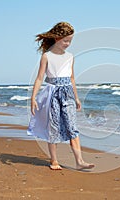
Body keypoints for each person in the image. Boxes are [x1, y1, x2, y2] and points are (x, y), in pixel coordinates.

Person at [27, 22, 95, 170]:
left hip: (67, 93)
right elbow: (39, 78)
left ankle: (79, 161)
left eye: (70, 41)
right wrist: (33, 98)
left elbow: (72, 78)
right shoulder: (47, 56)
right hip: (52, 93)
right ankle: (54, 161)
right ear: (56, 38)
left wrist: (76, 97)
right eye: (65, 40)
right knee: (53, 127)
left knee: (72, 127)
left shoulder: (70, 57)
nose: (68, 44)